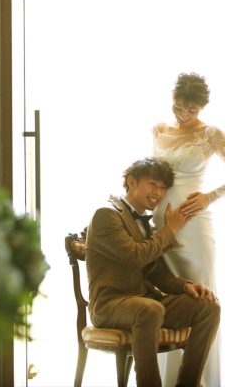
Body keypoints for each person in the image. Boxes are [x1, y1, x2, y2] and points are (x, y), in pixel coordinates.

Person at [86, 157, 220, 387]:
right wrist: (170, 229)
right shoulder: (105, 215)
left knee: (208, 306)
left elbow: (156, 273)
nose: (159, 193)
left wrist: (186, 286)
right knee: (150, 309)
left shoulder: (146, 224)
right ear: (132, 181)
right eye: (153, 184)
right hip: (111, 305)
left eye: (163, 188)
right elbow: (136, 255)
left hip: (146, 303)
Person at [152, 72, 225, 387]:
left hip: (195, 230)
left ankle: (200, 381)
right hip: (162, 226)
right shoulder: (159, 130)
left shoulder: (211, 134)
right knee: (169, 296)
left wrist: (210, 196)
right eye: (178, 107)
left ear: (202, 107)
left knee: (202, 300)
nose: (183, 115)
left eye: (191, 110)